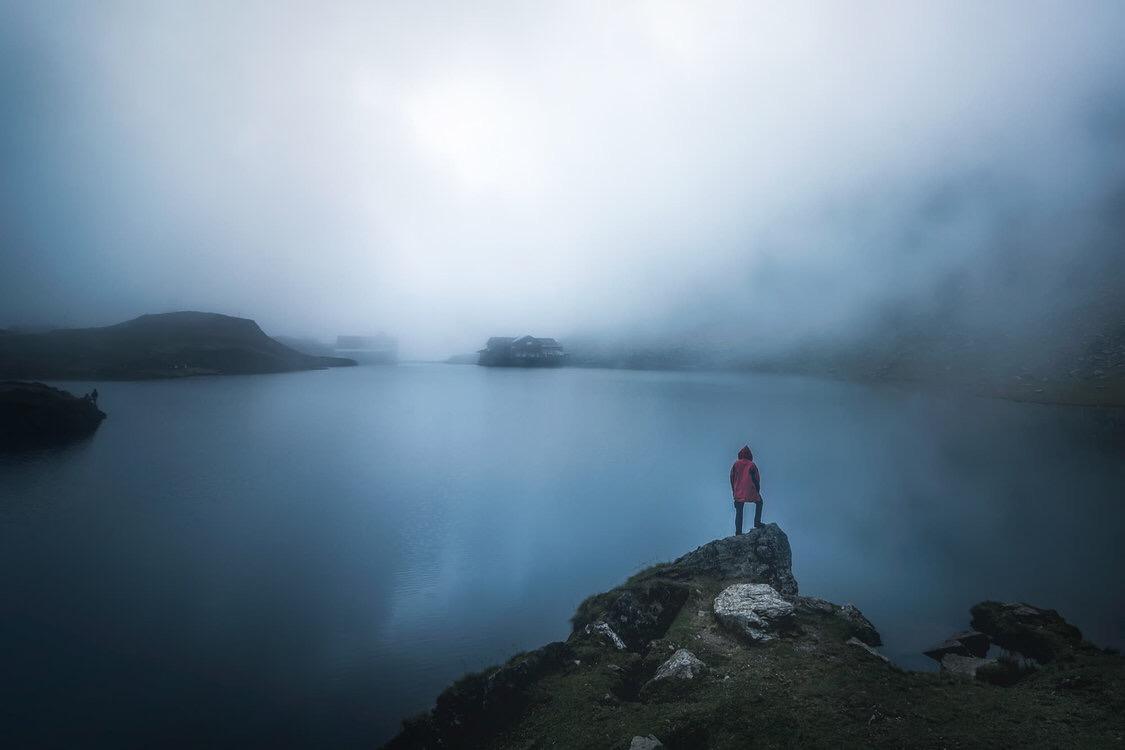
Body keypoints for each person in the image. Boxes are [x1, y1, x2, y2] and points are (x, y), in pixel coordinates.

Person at [729, 445, 763, 535]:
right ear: (750, 455)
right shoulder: (752, 464)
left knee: (739, 511)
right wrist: (757, 491)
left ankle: (738, 532)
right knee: (760, 502)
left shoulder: (735, 464)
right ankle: (757, 522)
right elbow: (756, 479)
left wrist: (734, 491)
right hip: (750, 490)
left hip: (738, 491)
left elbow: (732, 478)